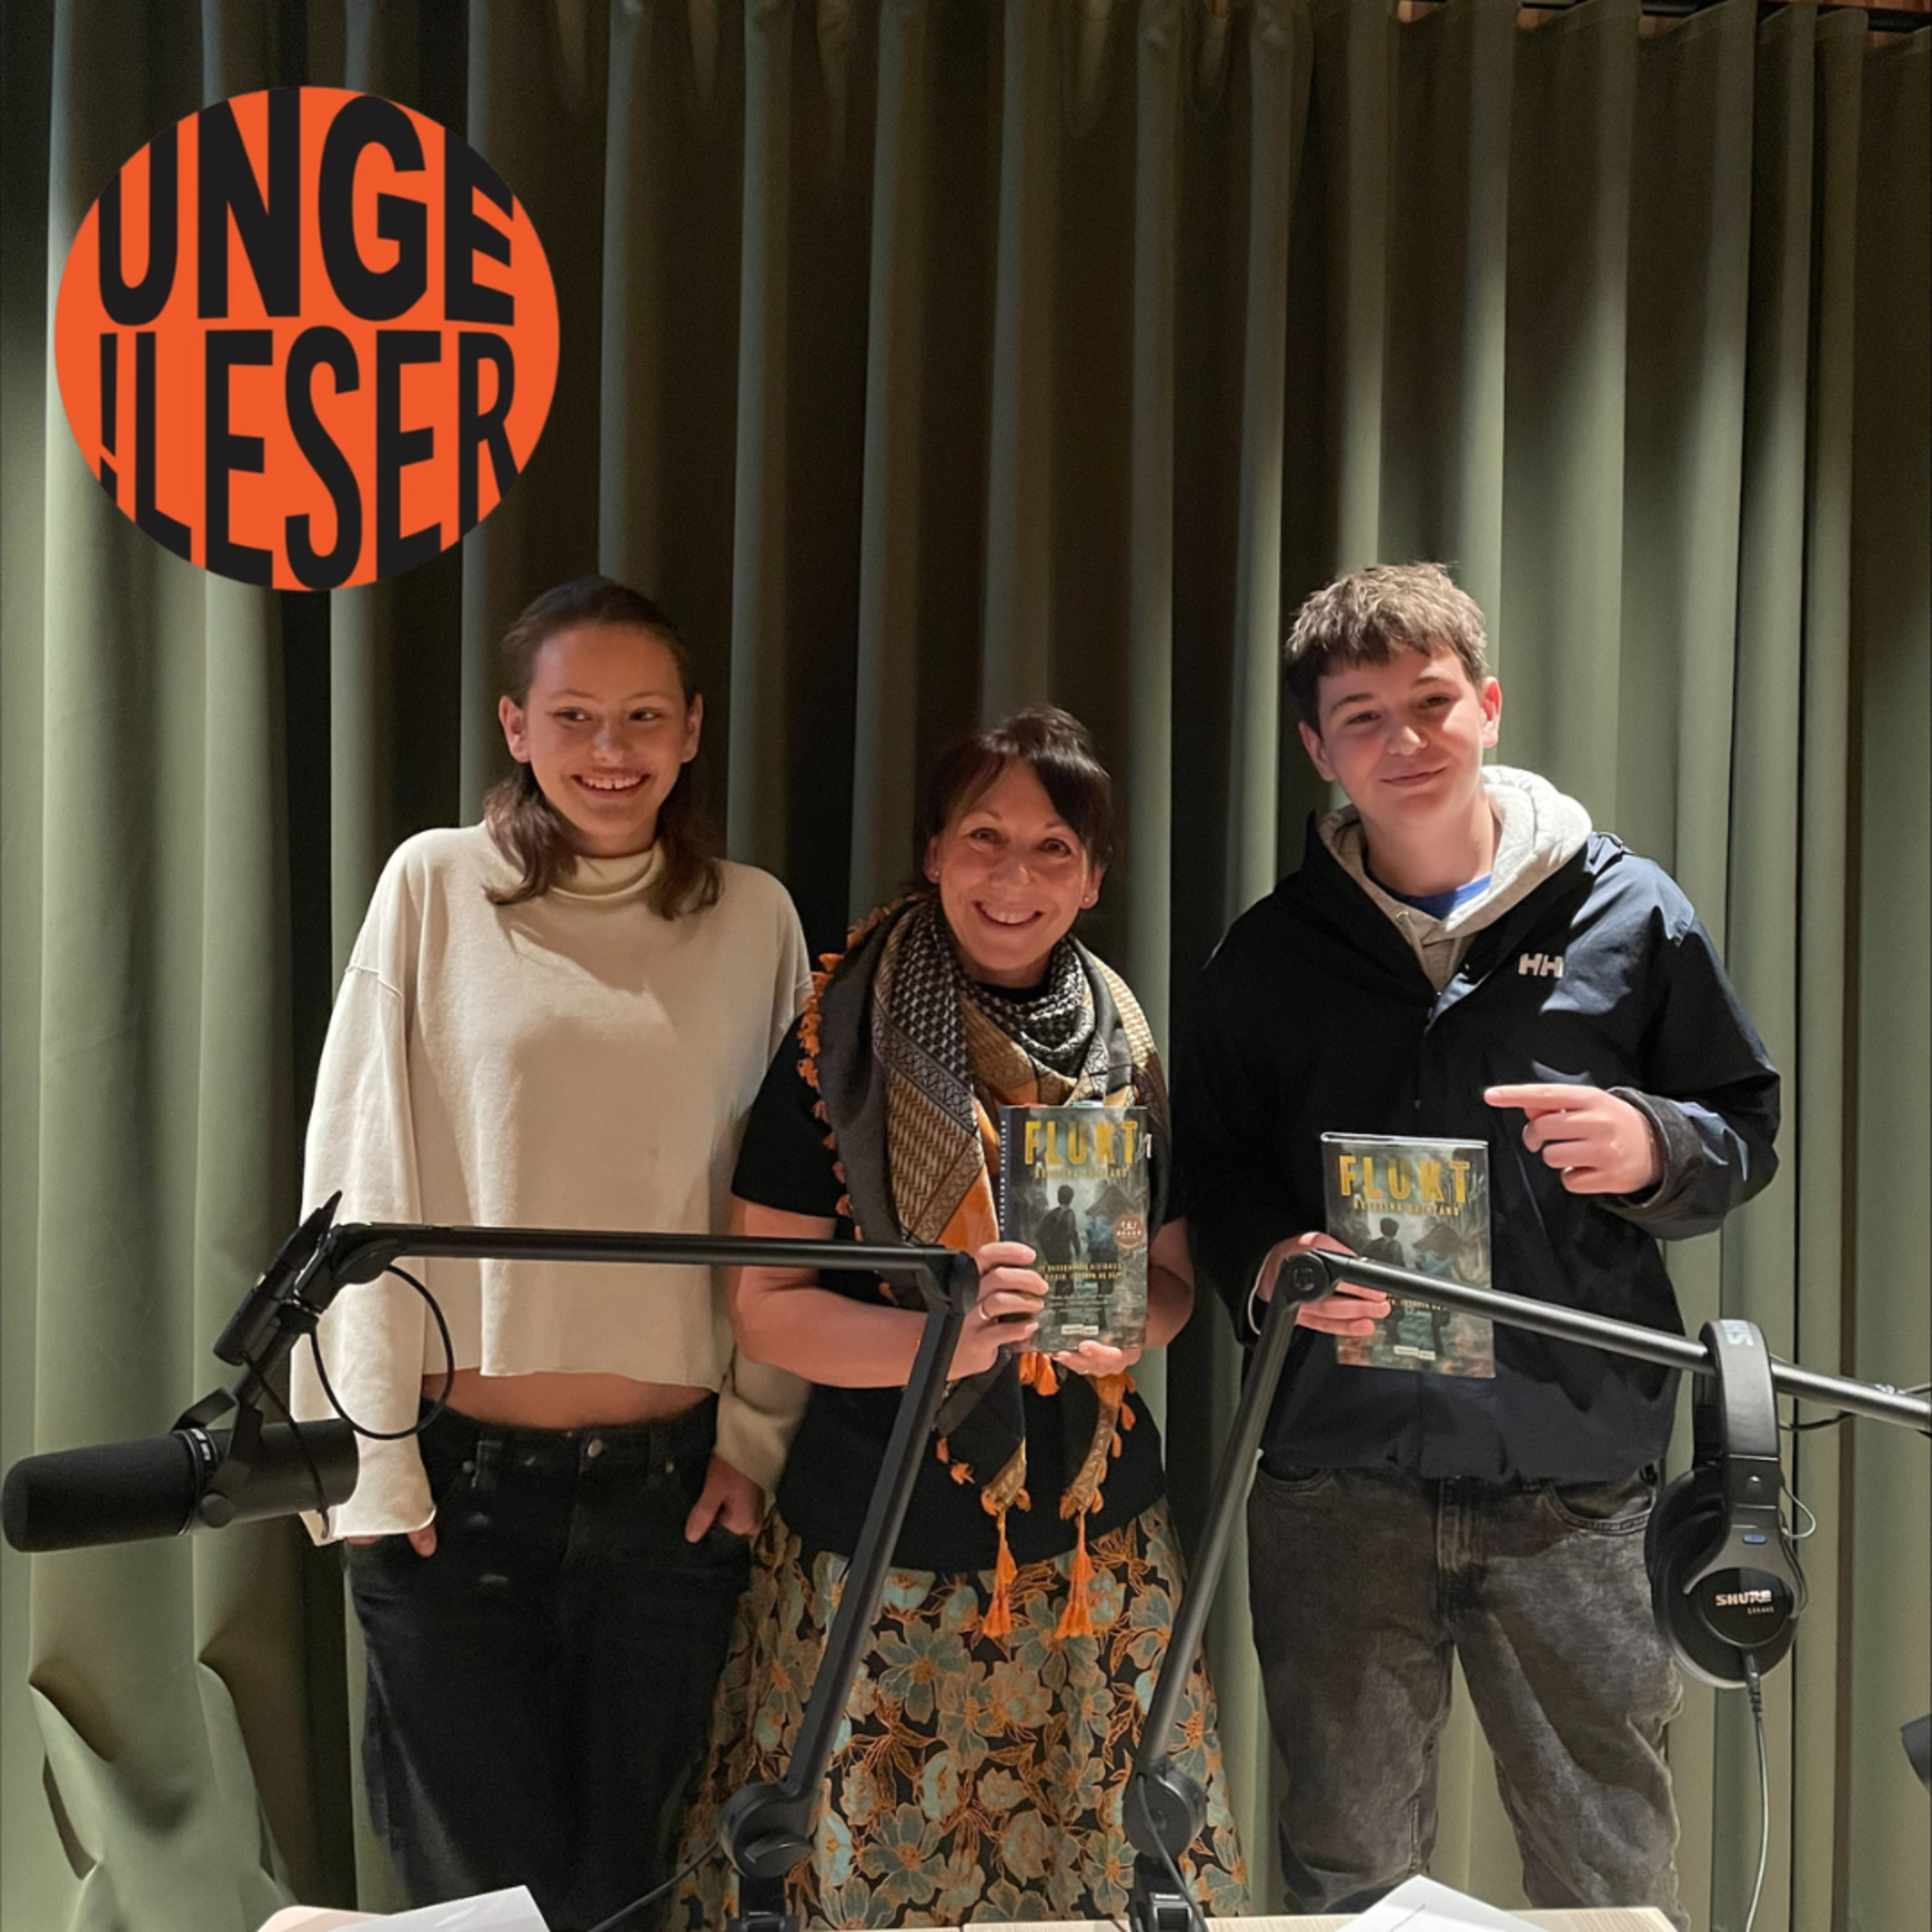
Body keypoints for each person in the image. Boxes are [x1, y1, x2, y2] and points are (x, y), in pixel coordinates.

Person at [1176, 563, 1779, 1927]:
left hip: (1576, 1481)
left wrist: (1654, 1146)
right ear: (1317, 748)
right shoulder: (1265, 957)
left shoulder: (1634, 914)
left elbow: (1745, 1122)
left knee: (1607, 1874)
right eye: (1364, 716)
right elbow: (1211, 1167)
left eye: (1433, 702)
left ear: (1489, 706)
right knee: (1346, 1875)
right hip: (1336, 1480)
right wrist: (1269, 1263)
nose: (1405, 739)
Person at [290, 577, 811, 1932]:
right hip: (454, 1491)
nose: (610, 749)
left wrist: (757, 1443)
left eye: (643, 716)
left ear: (693, 729)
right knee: (481, 1902)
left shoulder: (755, 918)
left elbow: (789, 1207)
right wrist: (369, 1457)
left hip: (673, 1495)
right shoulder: (434, 884)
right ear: (516, 728)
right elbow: (358, 1174)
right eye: (574, 715)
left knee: (635, 1892)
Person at [672, 708, 1245, 1927]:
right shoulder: (839, 1043)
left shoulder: (1129, 1047)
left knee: (1099, 1884)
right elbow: (764, 1307)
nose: (1012, 875)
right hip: (875, 1549)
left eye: (1052, 848)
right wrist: (952, 1341)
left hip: (1098, 1552)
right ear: (933, 851)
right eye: (984, 836)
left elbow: (1172, 1281)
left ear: (1093, 879)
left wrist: (1133, 1329)